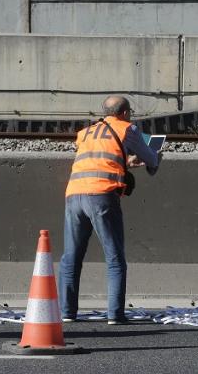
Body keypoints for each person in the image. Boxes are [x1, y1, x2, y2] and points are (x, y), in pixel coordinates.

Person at [58, 95, 162, 325]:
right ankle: (115, 314)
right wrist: (155, 157)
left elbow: (98, 159)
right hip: (102, 195)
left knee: (71, 257)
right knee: (115, 257)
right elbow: (150, 158)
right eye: (130, 112)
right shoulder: (127, 128)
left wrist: (125, 162)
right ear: (124, 113)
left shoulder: (86, 132)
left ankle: (67, 312)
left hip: (74, 194)